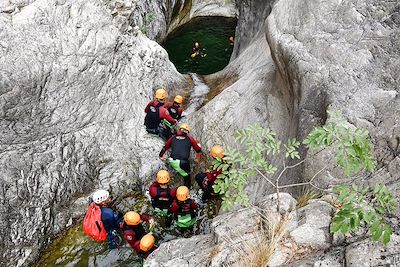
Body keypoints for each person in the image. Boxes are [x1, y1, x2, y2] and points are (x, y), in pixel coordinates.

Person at [159, 123, 202, 189]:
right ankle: (187, 188)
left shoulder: (173, 137)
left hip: (172, 161)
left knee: (180, 169)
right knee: (187, 176)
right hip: (183, 163)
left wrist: (161, 155)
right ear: (187, 132)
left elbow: (165, 147)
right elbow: (198, 150)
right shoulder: (190, 138)